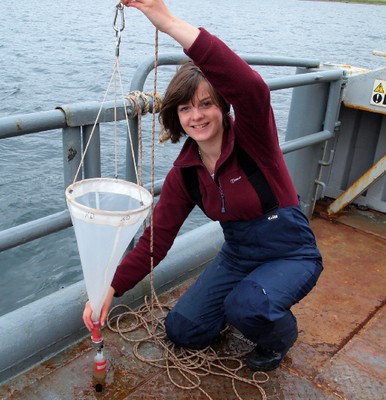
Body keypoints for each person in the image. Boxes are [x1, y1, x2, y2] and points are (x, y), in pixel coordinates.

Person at [83, 0, 323, 372]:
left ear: (223, 106)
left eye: (206, 104)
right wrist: (108, 292)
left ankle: (279, 333)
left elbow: (250, 87)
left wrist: (167, 23)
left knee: (248, 307)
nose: (196, 116)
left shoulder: (254, 139)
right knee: (183, 330)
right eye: (185, 108)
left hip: (290, 252)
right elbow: (155, 241)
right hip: (239, 256)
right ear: (176, 116)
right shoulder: (186, 173)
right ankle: (244, 302)